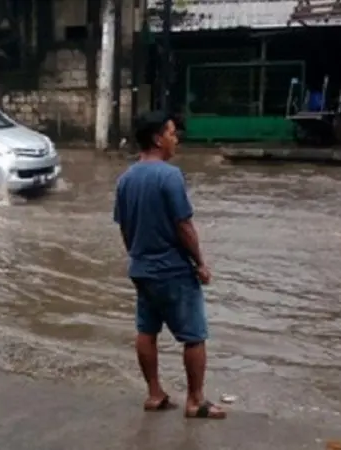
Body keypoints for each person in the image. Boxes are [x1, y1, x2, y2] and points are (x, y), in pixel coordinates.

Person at [112, 112, 226, 419]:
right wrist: (200, 263)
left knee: (146, 330)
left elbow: (125, 228)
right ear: (157, 139)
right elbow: (184, 226)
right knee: (194, 335)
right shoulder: (169, 176)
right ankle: (195, 400)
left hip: (142, 268)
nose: (176, 140)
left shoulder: (125, 179)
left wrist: (136, 256)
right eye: (172, 133)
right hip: (172, 269)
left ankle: (154, 394)